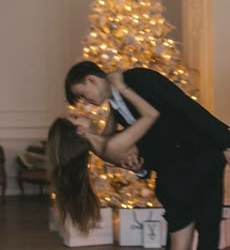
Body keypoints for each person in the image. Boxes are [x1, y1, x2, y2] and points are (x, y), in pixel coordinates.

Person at [65, 60, 230, 250]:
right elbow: (151, 142)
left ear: (92, 80)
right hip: (177, 172)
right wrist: (141, 169)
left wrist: (227, 140)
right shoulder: (116, 109)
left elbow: (185, 106)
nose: (86, 102)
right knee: (185, 228)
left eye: (83, 94)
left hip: (202, 153)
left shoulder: (139, 79)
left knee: (208, 225)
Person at [46, 72, 159, 235]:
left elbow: (113, 108)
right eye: (76, 116)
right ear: (80, 131)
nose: (82, 112)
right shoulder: (109, 146)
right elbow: (151, 115)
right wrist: (121, 87)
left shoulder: (102, 141)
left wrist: (107, 88)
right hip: (181, 165)